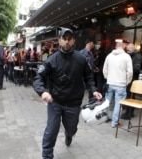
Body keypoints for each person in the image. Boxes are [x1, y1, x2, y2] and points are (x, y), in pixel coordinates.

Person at [33, 27, 102, 159]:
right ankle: (47, 155)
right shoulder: (51, 60)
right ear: (59, 40)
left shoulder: (81, 59)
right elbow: (38, 78)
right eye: (64, 39)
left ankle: (68, 134)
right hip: (55, 102)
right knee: (51, 130)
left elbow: (89, 77)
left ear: (73, 41)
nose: (66, 42)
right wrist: (42, 92)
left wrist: (94, 90)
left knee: (71, 129)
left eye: (69, 39)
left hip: (74, 103)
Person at [103, 42, 133, 128]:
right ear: (124, 47)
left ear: (116, 47)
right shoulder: (127, 57)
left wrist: (107, 78)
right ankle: (115, 123)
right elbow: (130, 72)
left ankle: (104, 118)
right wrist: (127, 81)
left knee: (107, 101)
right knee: (118, 104)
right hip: (121, 84)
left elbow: (105, 69)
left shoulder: (109, 56)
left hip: (110, 82)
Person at [121, 43, 142, 119]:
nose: (127, 51)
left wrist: (127, 69)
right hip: (130, 79)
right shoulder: (131, 55)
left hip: (133, 80)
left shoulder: (137, 56)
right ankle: (129, 112)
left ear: (133, 48)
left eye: (129, 49)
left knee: (130, 96)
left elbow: (137, 69)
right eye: (127, 49)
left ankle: (129, 114)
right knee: (129, 95)